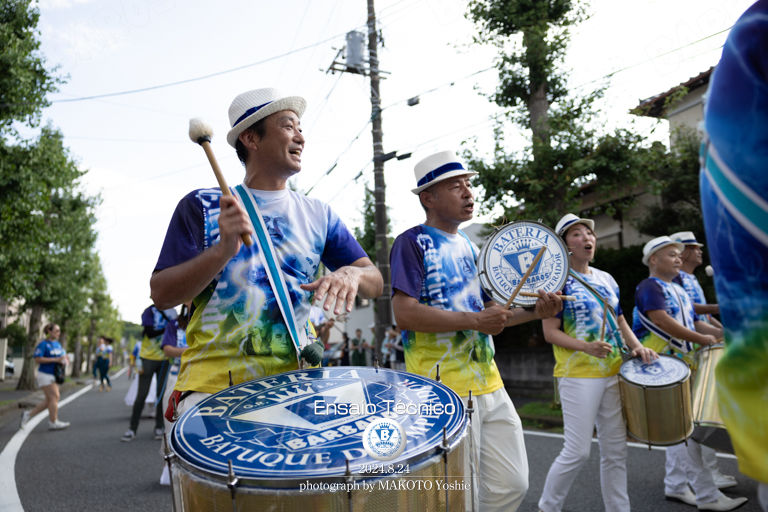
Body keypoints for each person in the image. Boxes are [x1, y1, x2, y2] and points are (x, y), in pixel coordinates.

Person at [148, 88, 382, 414]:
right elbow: (161, 295)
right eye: (288, 126)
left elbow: (375, 279)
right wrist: (222, 251)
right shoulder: (202, 205)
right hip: (214, 393)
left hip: (301, 388)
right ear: (251, 139)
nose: (300, 136)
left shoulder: (319, 214)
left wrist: (353, 273)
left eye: (301, 127)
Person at [390, 150, 563, 512]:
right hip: (441, 391)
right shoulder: (412, 242)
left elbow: (491, 316)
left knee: (513, 483)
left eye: (469, 185)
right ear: (429, 198)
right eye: (457, 187)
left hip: (489, 381)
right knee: (457, 497)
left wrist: (535, 312)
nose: (469, 193)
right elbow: (404, 313)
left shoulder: (471, 246)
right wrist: (474, 321)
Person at [537, 214, 657, 512]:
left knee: (616, 451)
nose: (587, 239)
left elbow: (619, 320)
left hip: (614, 372)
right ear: (564, 245)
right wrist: (586, 347)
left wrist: (639, 347)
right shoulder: (557, 281)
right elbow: (550, 333)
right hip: (578, 375)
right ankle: (547, 507)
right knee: (577, 452)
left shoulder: (607, 279)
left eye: (588, 233)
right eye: (576, 234)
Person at [699, 2, 768, 509]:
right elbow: (654, 316)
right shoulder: (756, 36)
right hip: (600, 368)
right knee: (687, 442)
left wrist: (710, 327)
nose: (688, 255)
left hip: (690, 353)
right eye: (681, 251)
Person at [632, 237, 747, 511]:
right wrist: (703, 339)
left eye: (678, 254)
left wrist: (722, 334)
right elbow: (661, 320)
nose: (678, 258)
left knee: (679, 431)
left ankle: (675, 486)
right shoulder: (650, 286)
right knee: (685, 432)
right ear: (653, 260)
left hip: (680, 365)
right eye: (671, 254)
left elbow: (694, 321)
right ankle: (708, 496)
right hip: (660, 367)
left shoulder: (678, 289)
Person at [669, 231, 735, 489]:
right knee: (699, 415)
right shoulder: (675, 279)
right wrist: (722, 311)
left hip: (702, 344)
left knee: (702, 415)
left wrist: (723, 330)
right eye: (693, 247)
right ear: (681, 252)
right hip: (690, 350)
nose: (699, 251)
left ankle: (703, 473)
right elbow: (691, 313)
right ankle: (698, 476)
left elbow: (703, 317)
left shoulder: (691, 278)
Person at [121, 304, 176, 442]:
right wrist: (168, 328)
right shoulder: (149, 311)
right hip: (148, 357)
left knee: (162, 394)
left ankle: (159, 427)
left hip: (165, 359)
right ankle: (132, 428)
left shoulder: (174, 311)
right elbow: (149, 332)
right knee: (142, 394)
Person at [159, 302, 191, 486]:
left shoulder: (210, 317)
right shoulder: (174, 325)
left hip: (203, 377)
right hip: (176, 377)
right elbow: (168, 349)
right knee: (171, 423)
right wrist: (191, 351)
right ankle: (170, 466)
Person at [19, 323, 70, 431]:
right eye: (56, 330)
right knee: (55, 396)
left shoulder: (58, 344)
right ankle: (53, 422)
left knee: (49, 400)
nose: (59, 333)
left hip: (54, 375)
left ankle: (27, 415)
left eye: (59, 331)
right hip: (45, 374)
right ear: (49, 331)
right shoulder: (43, 344)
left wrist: (64, 360)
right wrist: (55, 360)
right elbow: (37, 359)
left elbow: (62, 357)